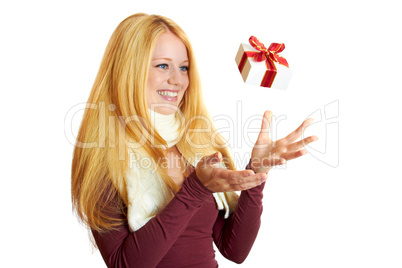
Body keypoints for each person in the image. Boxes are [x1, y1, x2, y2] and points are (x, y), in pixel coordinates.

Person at [71, 13, 318, 268]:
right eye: (162, 65)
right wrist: (195, 189)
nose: (178, 80)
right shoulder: (102, 154)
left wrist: (256, 173)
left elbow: (234, 249)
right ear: (129, 70)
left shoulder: (195, 145)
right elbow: (125, 264)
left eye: (184, 67)